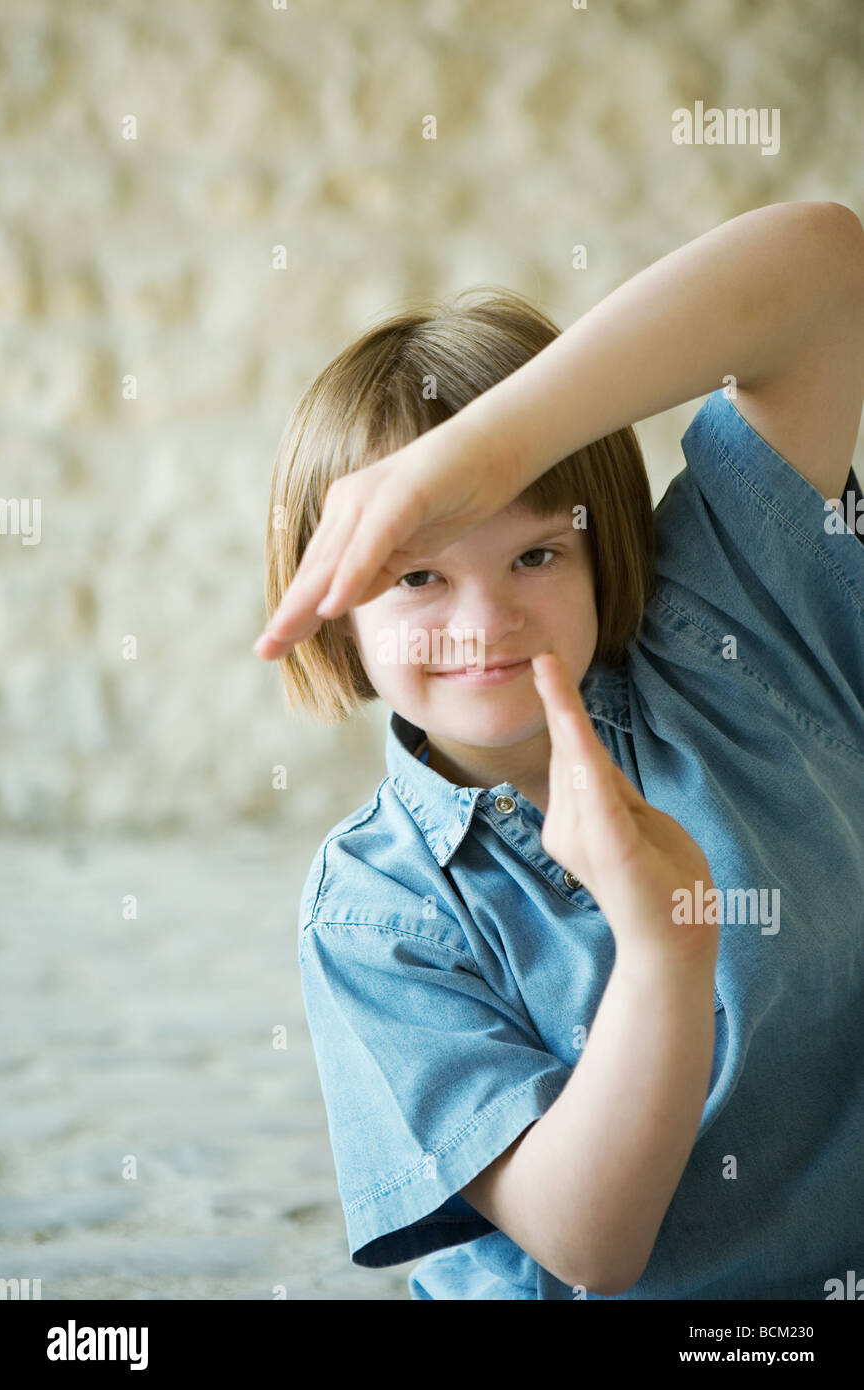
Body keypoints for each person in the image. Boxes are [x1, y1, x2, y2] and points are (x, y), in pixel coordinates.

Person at [254, 201, 864, 1299]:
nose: (485, 623)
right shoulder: (371, 911)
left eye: (536, 551)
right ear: (336, 607)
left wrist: (490, 449)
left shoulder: (728, 624)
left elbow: (824, 267)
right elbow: (590, 1243)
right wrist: (663, 950)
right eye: (418, 573)